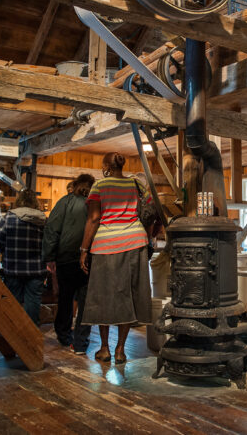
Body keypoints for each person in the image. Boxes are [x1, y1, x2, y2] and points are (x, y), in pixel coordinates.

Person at [79, 152, 152, 364]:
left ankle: (104, 348)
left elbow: (93, 219)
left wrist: (84, 249)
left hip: (106, 245)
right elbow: (147, 214)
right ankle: (120, 349)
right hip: (135, 242)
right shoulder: (137, 185)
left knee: (103, 296)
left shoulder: (99, 187)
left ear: (105, 166)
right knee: (128, 294)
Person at [42, 173, 95, 353]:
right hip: (89, 258)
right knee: (86, 302)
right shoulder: (94, 204)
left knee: (65, 297)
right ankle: (81, 341)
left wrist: (49, 256)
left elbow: (52, 229)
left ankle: (64, 335)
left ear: (75, 185)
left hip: (65, 258)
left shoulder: (64, 202)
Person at [0, 189, 47, 324]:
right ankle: (32, 332)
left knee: (13, 301)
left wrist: (2, 250)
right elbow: (49, 243)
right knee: (33, 300)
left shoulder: (9, 218)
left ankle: (14, 330)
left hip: (13, 267)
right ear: (35, 202)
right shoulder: (43, 220)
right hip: (36, 269)